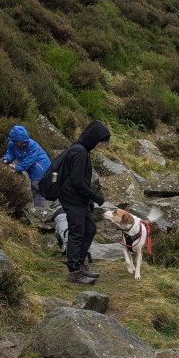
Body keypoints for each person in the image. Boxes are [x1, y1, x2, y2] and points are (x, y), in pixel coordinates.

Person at [56, 120, 111, 285]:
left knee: (90, 229)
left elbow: (81, 181)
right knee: (77, 232)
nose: (102, 145)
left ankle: (79, 264)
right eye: (102, 141)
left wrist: (89, 201)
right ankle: (74, 271)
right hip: (72, 198)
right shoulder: (79, 152)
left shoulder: (83, 150)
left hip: (79, 198)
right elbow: (78, 182)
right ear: (94, 138)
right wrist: (95, 198)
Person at [2, 124, 52, 208]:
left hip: (40, 164)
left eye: (25, 141)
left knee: (38, 184)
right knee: (36, 189)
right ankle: (40, 209)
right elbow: (10, 153)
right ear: (15, 141)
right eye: (21, 142)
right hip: (32, 168)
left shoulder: (33, 145)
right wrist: (6, 159)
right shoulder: (12, 144)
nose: (24, 143)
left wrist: (17, 167)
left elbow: (29, 160)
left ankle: (57, 201)